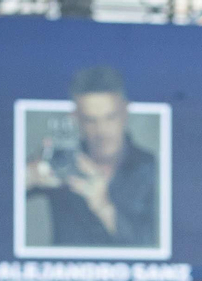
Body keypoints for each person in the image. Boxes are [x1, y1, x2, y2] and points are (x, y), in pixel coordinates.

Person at [26, 66, 158, 249]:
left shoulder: (152, 167)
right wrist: (29, 176)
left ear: (125, 112)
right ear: (75, 118)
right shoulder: (59, 160)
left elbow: (157, 247)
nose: (101, 131)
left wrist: (103, 206)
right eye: (90, 120)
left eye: (110, 117)